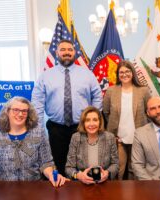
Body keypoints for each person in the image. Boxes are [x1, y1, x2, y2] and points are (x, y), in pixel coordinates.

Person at [32, 39, 102, 176]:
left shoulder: (87, 74)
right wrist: (38, 129)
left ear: (74, 52)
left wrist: (93, 120)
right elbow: (37, 102)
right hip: (56, 129)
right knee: (58, 163)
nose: (67, 53)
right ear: (57, 52)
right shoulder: (45, 76)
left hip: (81, 127)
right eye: (63, 50)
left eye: (70, 50)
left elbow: (97, 96)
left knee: (82, 162)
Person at [0, 96, 68, 187]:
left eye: (24, 111)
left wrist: (51, 175)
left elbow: (46, 162)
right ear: (7, 112)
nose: (20, 114)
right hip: (4, 190)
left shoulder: (39, 133)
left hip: (34, 188)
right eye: (16, 110)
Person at [103, 60, 151, 180]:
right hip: (118, 139)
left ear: (133, 72)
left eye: (127, 71)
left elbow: (149, 112)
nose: (124, 74)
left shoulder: (143, 90)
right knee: (118, 169)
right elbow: (106, 112)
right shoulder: (111, 91)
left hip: (138, 137)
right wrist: (113, 130)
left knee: (134, 169)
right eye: (121, 72)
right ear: (118, 74)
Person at [65, 106, 119, 184]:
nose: (91, 124)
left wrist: (107, 173)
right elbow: (69, 168)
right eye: (87, 120)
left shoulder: (109, 137)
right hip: (82, 184)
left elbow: (115, 164)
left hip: (104, 183)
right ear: (83, 123)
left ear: (100, 122)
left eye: (95, 120)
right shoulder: (76, 138)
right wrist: (79, 176)